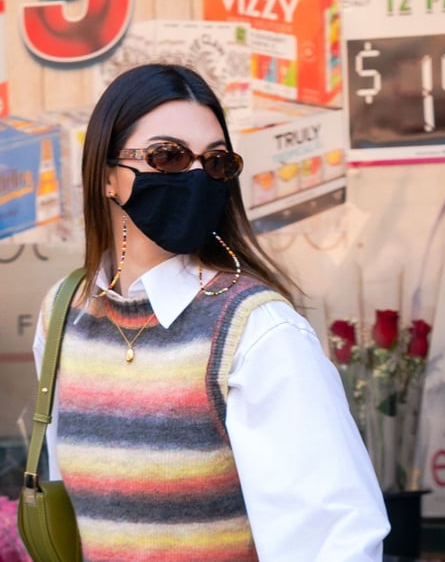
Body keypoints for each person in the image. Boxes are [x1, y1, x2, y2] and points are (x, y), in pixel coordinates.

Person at [31, 63, 389, 561]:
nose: (198, 176)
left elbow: (331, 537)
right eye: (169, 157)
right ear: (107, 175)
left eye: (216, 162)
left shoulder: (257, 330)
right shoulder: (64, 313)